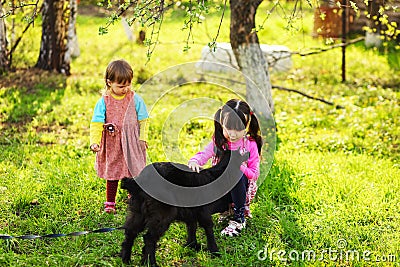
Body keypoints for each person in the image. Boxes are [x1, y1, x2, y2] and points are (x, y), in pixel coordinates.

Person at [188, 99, 262, 237]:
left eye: (238, 129)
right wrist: (194, 161)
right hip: (220, 189)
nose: (233, 134)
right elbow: (204, 154)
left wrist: (239, 166)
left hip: (240, 189)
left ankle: (239, 217)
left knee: (234, 173)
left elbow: (254, 174)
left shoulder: (249, 145)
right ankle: (226, 209)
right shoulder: (220, 141)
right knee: (201, 208)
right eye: (228, 128)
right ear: (222, 124)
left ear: (246, 126)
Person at [90, 59, 149, 214]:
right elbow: (96, 122)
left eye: (128, 85)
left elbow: (144, 119)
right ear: (109, 83)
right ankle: (110, 202)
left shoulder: (135, 99)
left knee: (133, 170)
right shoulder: (104, 101)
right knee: (113, 172)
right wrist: (94, 142)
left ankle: (133, 197)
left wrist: (143, 138)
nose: (126, 89)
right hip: (113, 143)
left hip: (132, 142)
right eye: (121, 86)